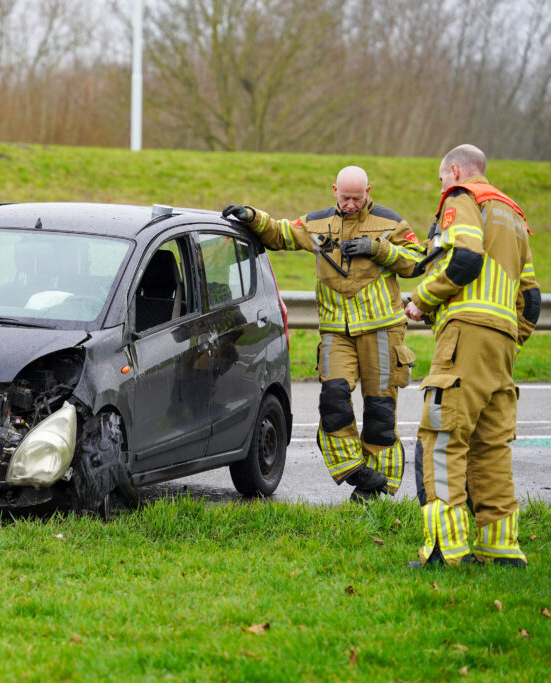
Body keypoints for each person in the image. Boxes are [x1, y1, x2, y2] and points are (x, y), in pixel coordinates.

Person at [223, 166, 424, 501]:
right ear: (334, 191)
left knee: (380, 411)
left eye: (356, 198)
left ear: (368, 192)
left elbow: (418, 261)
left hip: (382, 330)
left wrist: (379, 249)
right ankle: (354, 469)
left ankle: (377, 489)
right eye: (345, 198)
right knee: (333, 401)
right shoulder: (317, 224)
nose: (350, 204)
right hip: (336, 332)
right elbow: (281, 233)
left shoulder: (391, 222)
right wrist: (253, 217)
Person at [405, 144, 541, 567]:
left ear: (456, 171)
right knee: (491, 446)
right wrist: (509, 338)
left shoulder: (463, 198)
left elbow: (465, 259)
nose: (441, 188)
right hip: (503, 343)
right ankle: (500, 549)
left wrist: (421, 300)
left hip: (465, 333)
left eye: (441, 179)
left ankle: (445, 549)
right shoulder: (514, 215)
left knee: (442, 437)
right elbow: (532, 301)